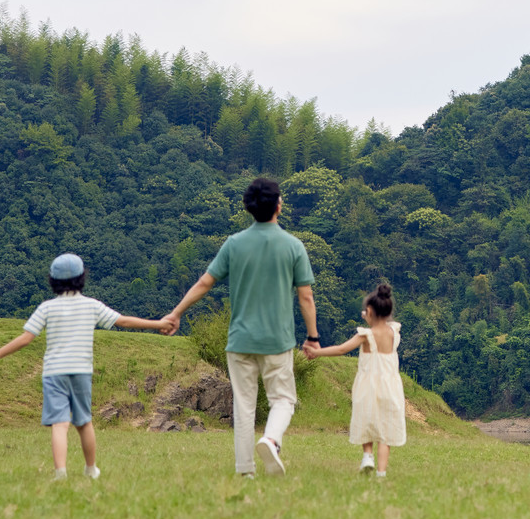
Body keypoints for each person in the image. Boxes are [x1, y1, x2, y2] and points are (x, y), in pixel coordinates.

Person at [160, 177, 318, 477]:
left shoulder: (234, 244)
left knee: (244, 407)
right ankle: (271, 439)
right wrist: (313, 337)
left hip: (240, 340)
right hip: (277, 340)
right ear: (279, 206)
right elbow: (306, 297)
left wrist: (176, 312)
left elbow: (205, 283)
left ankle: (245, 471)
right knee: (283, 399)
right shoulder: (293, 246)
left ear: (249, 208)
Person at [0, 253, 164, 480]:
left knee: (60, 424)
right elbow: (123, 321)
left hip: (54, 372)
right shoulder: (92, 306)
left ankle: (60, 472)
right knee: (84, 422)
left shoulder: (47, 308)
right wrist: (159, 324)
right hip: (81, 371)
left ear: (53, 280)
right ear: (82, 278)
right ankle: (90, 469)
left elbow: (25, 338)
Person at [304, 283, 406, 478]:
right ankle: (381, 473)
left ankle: (367, 456)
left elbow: (342, 349)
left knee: (366, 418)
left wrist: (317, 352)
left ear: (369, 312)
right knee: (385, 429)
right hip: (391, 385)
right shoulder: (394, 333)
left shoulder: (366, 335)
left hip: (368, 384)